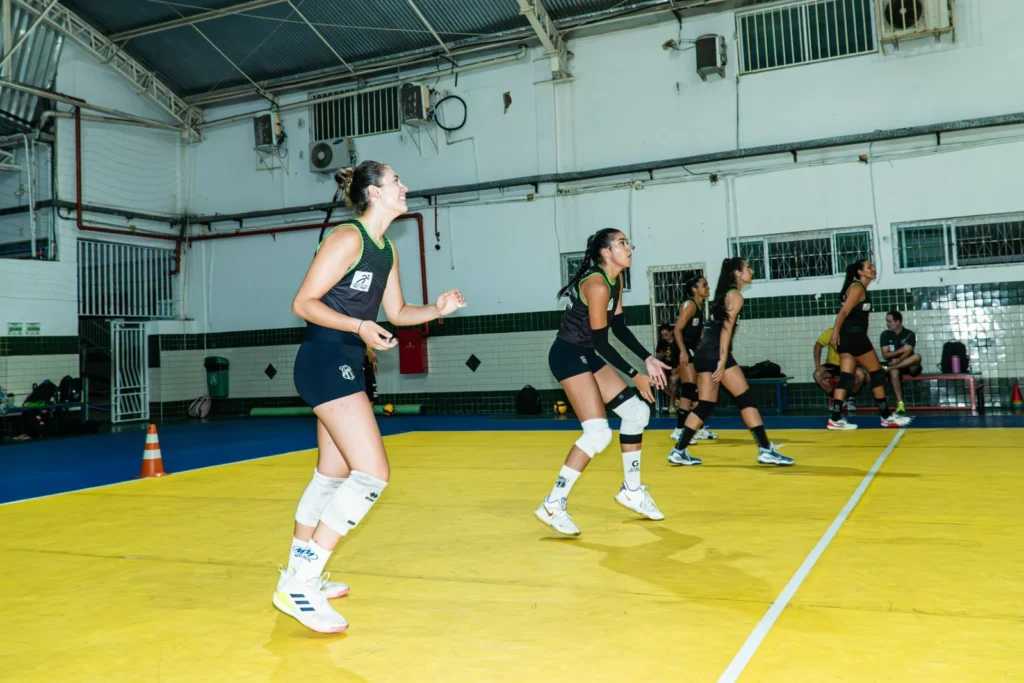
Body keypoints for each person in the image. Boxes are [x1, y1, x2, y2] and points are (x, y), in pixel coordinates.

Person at [276, 161, 467, 633]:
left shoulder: (385, 250)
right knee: (372, 474)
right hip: (324, 359)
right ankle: (302, 583)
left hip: (346, 362)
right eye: (396, 181)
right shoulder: (348, 239)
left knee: (331, 475)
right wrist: (360, 326)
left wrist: (436, 309)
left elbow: (397, 312)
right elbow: (303, 303)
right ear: (375, 192)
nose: (405, 186)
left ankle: (293, 575)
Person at [535, 228, 672, 537]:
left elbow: (618, 327)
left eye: (628, 242)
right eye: (622, 243)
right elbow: (601, 342)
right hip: (568, 355)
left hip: (586, 353)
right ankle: (553, 504)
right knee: (597, 434)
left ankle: (631, 491)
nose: (629, 247)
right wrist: (635, 374)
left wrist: (647, 358)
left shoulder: (616, 279)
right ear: (606, 252)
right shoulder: (596, 285)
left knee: (637, 413)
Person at [668, 258, 793, 467]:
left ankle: (679, 450)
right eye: (747, 268)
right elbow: (726, 331)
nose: (751, 271)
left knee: (705, 405)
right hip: (714, 353)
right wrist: (723, 360)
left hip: (704, 353)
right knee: (746, 400)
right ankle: (765, 450)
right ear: (737, 273)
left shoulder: (725, 294)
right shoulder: (734, 295)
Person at [826, 260, 911, 431]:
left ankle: (835, 419)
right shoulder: (857, 288)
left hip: (849, 338)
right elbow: (843, 312)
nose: (873, 269)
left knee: (846, 378)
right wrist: (834, 335)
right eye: (869, 267)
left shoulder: (858, 288)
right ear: (860, 272)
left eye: (873, 266)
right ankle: (886, 417)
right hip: (854, 337)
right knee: (877, 374)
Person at [669, 274, 718, 450]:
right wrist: (683, 351)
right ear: (694, 289)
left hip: (692, 350)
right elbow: (677, 330)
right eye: (704, 285)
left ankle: (698, 428)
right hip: (683, 350)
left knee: (695, 390)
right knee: (689, 389)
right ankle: (679, 429)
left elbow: (695, 331)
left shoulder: (700, 305)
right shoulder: (689, 305)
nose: (708, 287)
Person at [813, 326, 865, 415]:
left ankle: (850, 399)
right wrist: (818, 366)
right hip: (832, 365)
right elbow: (817, 346)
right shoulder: (831, 332)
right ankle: (836, 399)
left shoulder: (854, 334)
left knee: (861, 374)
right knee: (817, 375)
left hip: (848, 364)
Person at [880, 310, 922, 416]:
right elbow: (885, 355)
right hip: (893, 364)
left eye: (890, 321)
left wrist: (898, 360)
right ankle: (900, 404)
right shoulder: (885, 334)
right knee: (894, 372)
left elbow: (908, 351)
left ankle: (891, 368)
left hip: (907, 364)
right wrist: (900, 351)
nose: (888, 324)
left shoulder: (909, 334)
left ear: (898, 322)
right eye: (887, 321)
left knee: (917, 356)